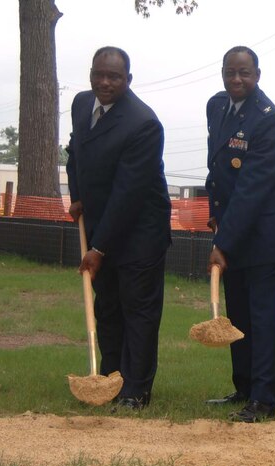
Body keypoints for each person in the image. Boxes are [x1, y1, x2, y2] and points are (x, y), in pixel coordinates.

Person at [66, 46, 172, 410]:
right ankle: (110, 376)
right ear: (91, 73)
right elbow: (74, 154)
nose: (105, 82)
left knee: (137, 310)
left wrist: (99, 248)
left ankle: (136, 390)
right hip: (102, 226)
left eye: (114, 76)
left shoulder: (143, 123)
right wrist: (77, 196)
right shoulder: (82, 104)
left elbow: (129, 193)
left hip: (140, 231)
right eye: (99, 74)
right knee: (107, 305)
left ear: (129, 80)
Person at [204, 46, 275, 423]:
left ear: (257, 74)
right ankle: (244, 387)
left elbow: (252, 188)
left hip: (266, 231)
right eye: (230, 72)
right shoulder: (217, 106)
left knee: (263, 319)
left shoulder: (268, 121)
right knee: (239, 315)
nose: (236, 80)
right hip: (234, 225)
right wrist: (216, 217)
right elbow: (218, 169)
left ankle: (265, 397)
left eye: (244, 73)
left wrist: (222, 243)